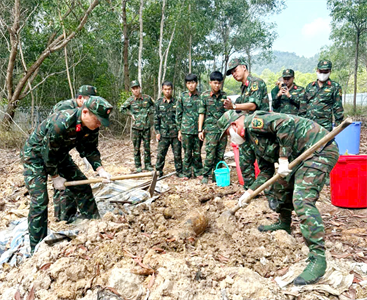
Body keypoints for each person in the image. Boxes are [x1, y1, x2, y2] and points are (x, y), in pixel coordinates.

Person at [217, 109, 339, 286]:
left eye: (229, 134)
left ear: (234, 125)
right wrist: (249, 193)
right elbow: (266, 171)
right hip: (299, 157)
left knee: (302, 199)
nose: (231, 139)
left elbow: (286, 124)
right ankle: (284, 223)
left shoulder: (254, 121)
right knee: (280, 186)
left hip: (318, 149)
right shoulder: (253, 141)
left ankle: (318, 258)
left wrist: (283, 158)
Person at [21, 96, 113, 253]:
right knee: (40, 200)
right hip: (35, 156)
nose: (99, 125)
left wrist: (100, 169)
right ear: (85, 112)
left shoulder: (92, 128)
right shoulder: (62, 122)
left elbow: (90, 149)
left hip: (59, 154)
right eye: (97, 120)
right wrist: (55, 177)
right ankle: (36, 248)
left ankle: (93, 225)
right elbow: (47, 153)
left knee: (83, 185)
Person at [224, 58, 269, 189]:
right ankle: (250, 190)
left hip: (260, 130)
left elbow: (253, 105)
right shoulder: (243, 88)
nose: (234, 74)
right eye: (231, 72)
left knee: (264, 163)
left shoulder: (256, 83)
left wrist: (234, 106)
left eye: (235, 70)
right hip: (247, 130)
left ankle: (268, 191)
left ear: (244, 67)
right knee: (245, 162)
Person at [198, 71, 227, 184]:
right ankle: (206, 175)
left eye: (219, 83)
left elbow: (227, 114)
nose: (217, 85)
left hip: (222, 130)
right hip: (210, 130)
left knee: (220, 154)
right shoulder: (204, 96)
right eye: (214, 83)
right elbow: (201, 113)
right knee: (210, 153)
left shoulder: (224, 96)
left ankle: (217, 175)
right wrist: (200, 130)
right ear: (210, 83)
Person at [299, 60, 344, 132]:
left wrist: (337, 125)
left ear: (330, 71)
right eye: (321, 71)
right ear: (317, 70)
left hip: (324, 125)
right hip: (309, 124)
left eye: (325, 71)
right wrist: (301, 121)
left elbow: (338, 107)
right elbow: (303, 105)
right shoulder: (310, 86)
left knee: (325, 143)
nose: (323, 73)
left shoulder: (334, 86)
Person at [120, 80, 154, 172]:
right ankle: (138, 166)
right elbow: (122, 109)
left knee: (147, 148)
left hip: (146, 127)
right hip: (136, 128)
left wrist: (150, 112)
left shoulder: (147, 98)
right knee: (136, 148)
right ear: (131, 90)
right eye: (133, 89)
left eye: (137, 88)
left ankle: (147, 165)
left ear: (140, 88)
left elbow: (155, 106)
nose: (136, 90)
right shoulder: (130, 100)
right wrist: (130, 114)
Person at [176, 74, 203, 179]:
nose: (191, 85)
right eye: (188, 83)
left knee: (197, 152)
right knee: (187, 153)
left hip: (198, 130)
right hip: (186, 130)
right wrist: (179, 130)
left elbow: (204, 113)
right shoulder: (182, 97)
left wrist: (202, 129)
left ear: (196, 83)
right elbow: (178, 114)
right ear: (186, 84)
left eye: (193, 83)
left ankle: (198, 171)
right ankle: (186, 173)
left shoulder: (201, 97)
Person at [154, 81, 183, 177]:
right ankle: (158, 171)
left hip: (175, 134)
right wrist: (157, 132)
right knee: (161, 154)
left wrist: (180, 131)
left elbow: (180, 117)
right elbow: (156, 118)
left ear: (172, 90)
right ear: (162, 90)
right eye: (165, 89)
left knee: (177, 154)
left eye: (169, 89)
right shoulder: (158, 103)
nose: (167, 91)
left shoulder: (177, 102)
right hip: (163, 134)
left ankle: (179, 171)